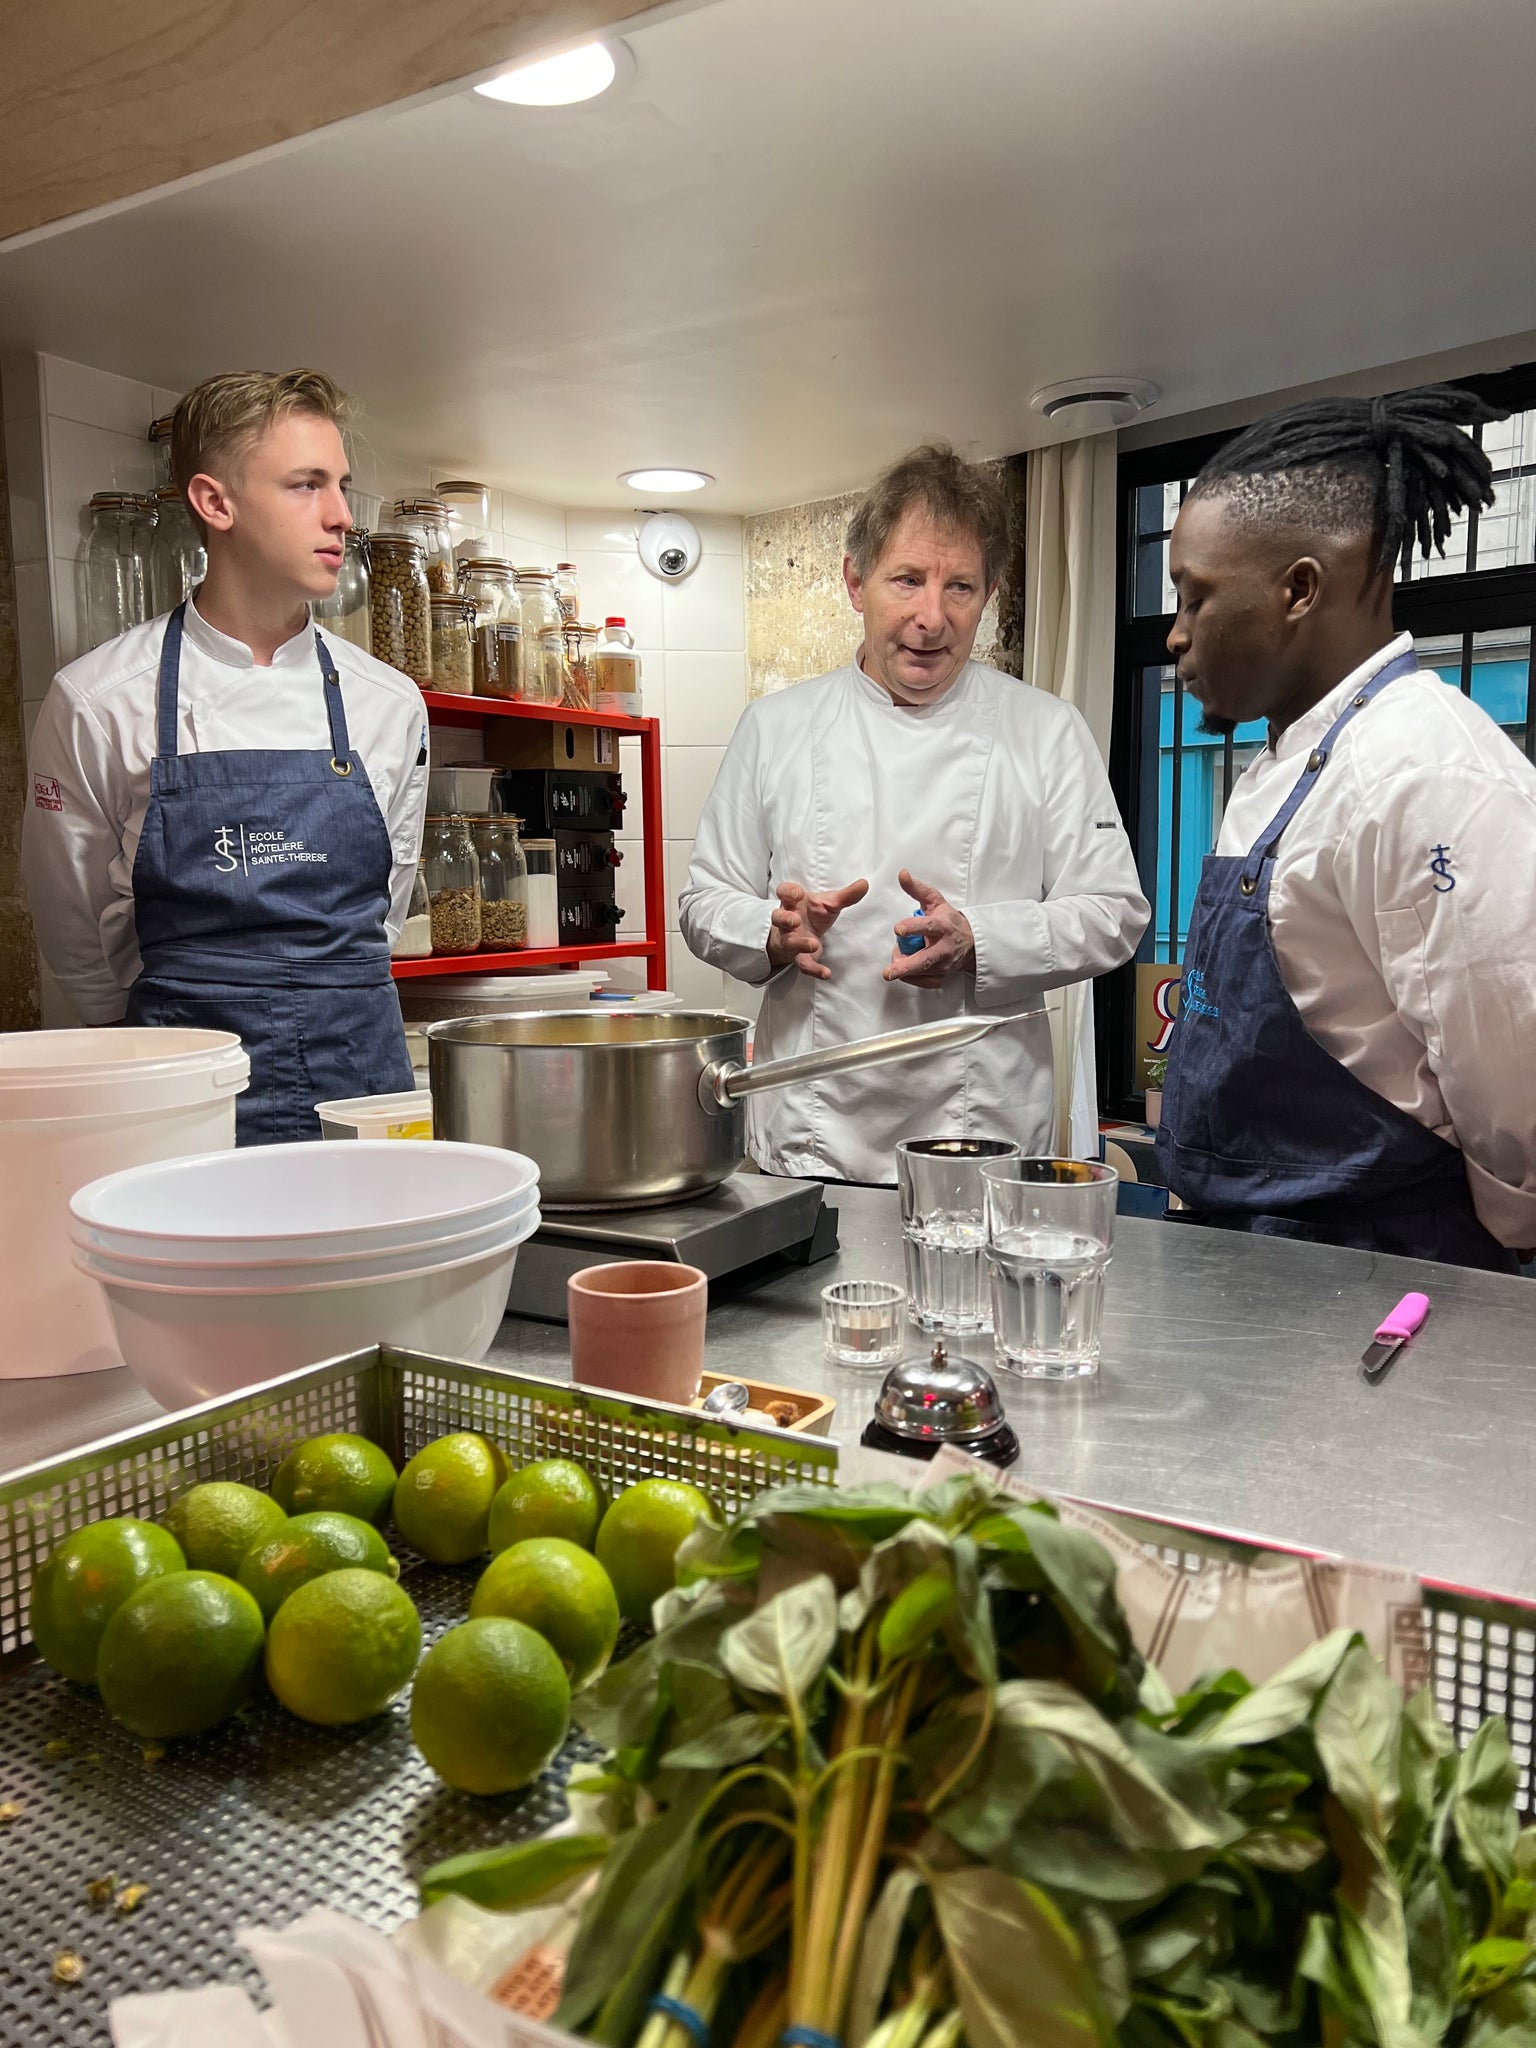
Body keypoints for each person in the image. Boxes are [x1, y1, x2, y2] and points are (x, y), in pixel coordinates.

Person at [678, 443, 1148, 1183]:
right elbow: (704, 904)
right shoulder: (776, 727)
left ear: (990, 593)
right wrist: (770, 935)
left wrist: (982, 938)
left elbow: (1115, 912)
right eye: (907, 580)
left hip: (981, 1127)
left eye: (960, 586)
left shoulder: (1046, 728)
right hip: (811, 1135)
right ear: (855, 582)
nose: (932, 617)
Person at [1155, 384, 1536, 1271]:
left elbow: (1516, 1087)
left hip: (1383, 1270)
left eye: (1194, 598)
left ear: (1298, 590)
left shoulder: (1423, 771)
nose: (1173, 636)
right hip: (1258, 1256)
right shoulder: (1291, 753)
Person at [23, 369, 428, 1145]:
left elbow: (388, 905)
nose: (342, 516)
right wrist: (150, 1054)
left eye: (343, 485)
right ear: (215, 503)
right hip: (183, 1091)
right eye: (307, 485)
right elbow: (75, 935)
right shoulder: (99, 699)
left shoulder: (390, 703)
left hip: (363, 1087)